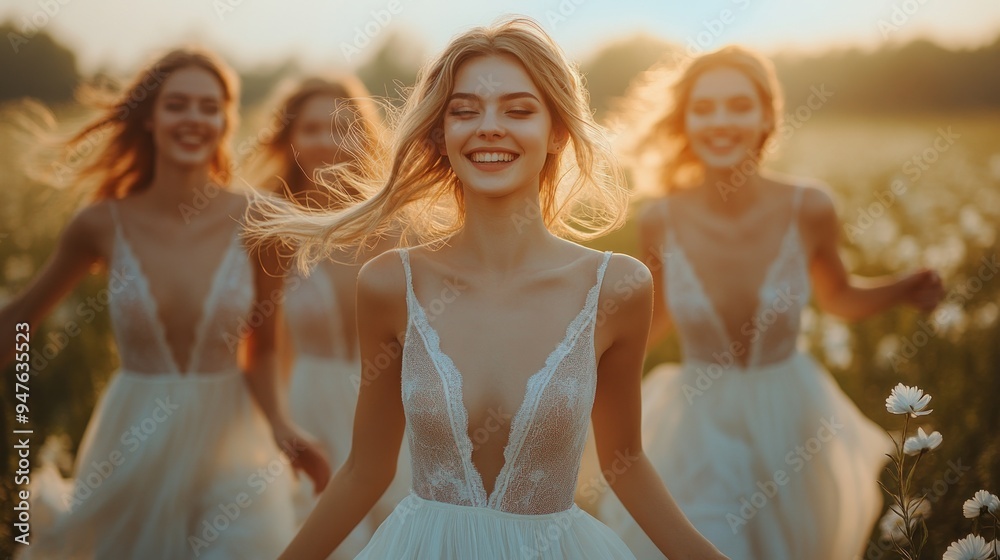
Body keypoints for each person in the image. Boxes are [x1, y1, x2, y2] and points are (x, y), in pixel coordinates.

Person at [247, 16, 728, 560]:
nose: (490, 127)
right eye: (465, 111)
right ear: (440, 134)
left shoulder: (616, 286)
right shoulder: (389, 282)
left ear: (556, 134)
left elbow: (627, 463)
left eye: (519, 110)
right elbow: (365, 470)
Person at [596, 45, 945, 559]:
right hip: (698, 425)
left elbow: (838, 296)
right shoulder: (660, 220)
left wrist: (902, 287)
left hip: (792, 420)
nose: (721, 122)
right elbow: (657, 318)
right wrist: (582, 359)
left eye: (739, 105)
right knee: (715, 541)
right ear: (686, 121)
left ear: (767, 116)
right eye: (704, 107)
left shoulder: (809, 206)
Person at [0, 48, 329, 559]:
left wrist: (283, 426)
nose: (194, 118)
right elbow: (21, 317)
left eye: (208, 106)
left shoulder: (261, 220)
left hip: (232, 444)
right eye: (178, 105)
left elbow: (261, 349)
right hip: (131, 438)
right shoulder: (101, 224)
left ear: (226, 119)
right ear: (150, 117)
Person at [244, 75, 408, 558]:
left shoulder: (402, 223)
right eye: (312, 128)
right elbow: (262, 343)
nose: (329, 143)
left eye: (343, 128)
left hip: (398, 412)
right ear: (289, 138)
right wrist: (279, 425)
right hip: (309, 412)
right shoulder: (272, 229)